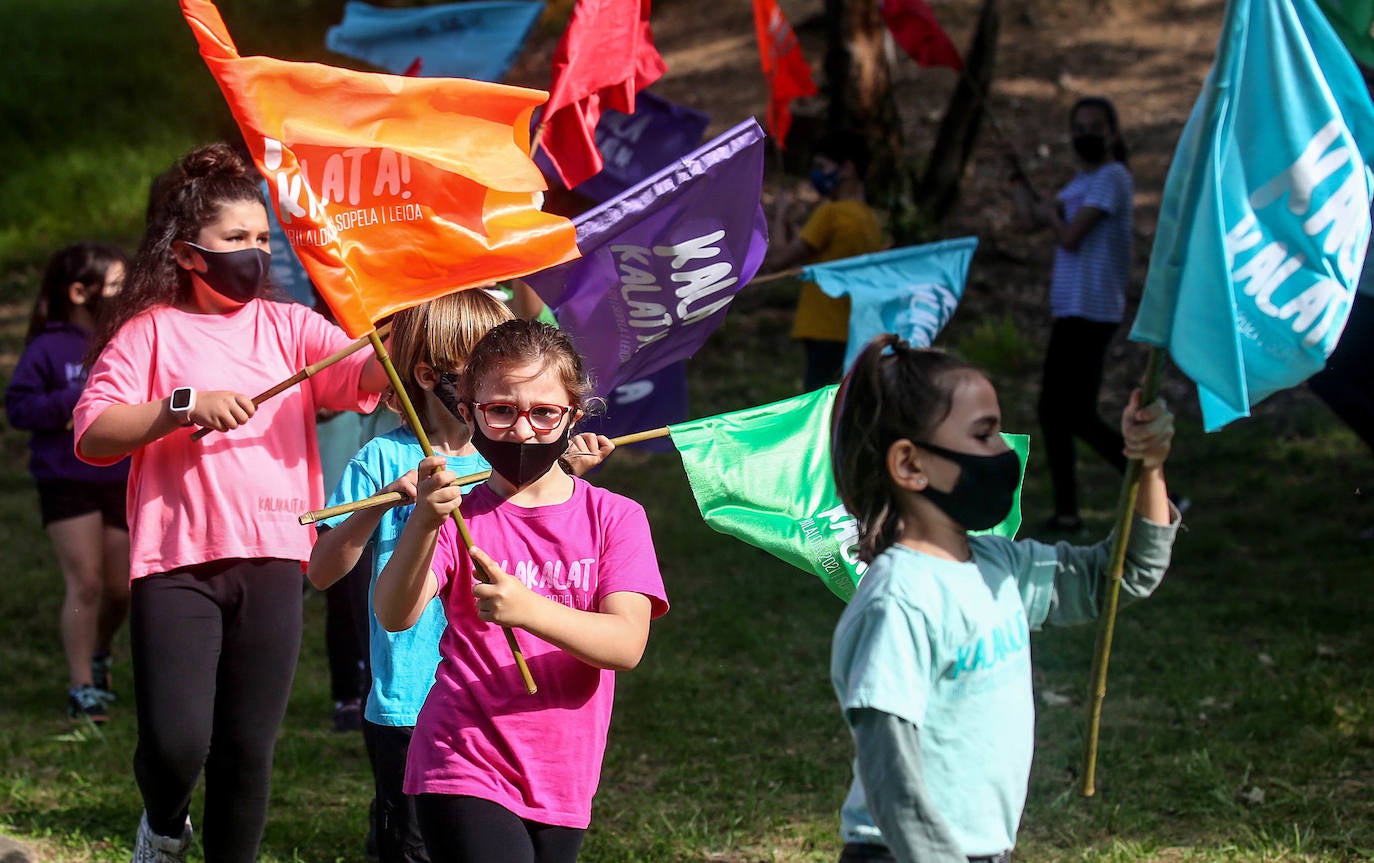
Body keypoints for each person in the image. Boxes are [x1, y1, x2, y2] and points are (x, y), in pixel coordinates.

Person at [72, 142, 388, 863]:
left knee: (248, 747)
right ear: (187, 253)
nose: (256, 252)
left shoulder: (294, 328)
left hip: (276, 556)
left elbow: (360, 376)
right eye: (236, 239)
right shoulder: (148, 329)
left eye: (263, 239)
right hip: (176, 561)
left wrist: (401, 338)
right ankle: (163, 820)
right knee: (178, 741)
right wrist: (182, 406)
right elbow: (92, 432)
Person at [828, 334, 1181, 863]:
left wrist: (1148, 465)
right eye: (985, 435)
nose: (1005, 452)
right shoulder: (899, 601)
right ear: (910, 465)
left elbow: (1120, 576)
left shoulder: (1000, 567)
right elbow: (890, 770)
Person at [308, 291, 616, 863]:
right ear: (429, 375)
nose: (502, 387)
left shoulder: (509, 453)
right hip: (410, 696)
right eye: (479, 371)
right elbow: (323, 572)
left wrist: (566, 467)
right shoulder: (380, 459)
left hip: (493, 693)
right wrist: (377, 505)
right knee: (412, 847)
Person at [374, 319, 668, 863]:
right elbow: (394, 614)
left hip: (564, 773)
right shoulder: (457, 514)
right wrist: (420, 525)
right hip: (461, 758)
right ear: (469, 412)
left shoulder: (615, 518)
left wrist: (528, 609)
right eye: (501, 411)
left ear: (573, 416)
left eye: (544, 412)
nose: (523, 430)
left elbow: (626, 645)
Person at [4, 241, 131, 723]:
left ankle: (100, 654)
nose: (124, 294)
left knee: (120, 589)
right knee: (87, 582)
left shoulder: (124, 339)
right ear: (80, 292)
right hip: (65, 480)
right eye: (115, 285)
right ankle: (81, 687)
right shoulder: (46, 347)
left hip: (119, 475)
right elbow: (19, 408)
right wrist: (74, 402)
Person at [1011, 96, 1134, 532]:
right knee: (1054, 412)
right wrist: (1019, 184)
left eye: (1094, 127)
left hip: (1094, 309)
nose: (1085, 135)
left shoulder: (1113, 178)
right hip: (1070, 309)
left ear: (1112, 133)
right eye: (1078, 126)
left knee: (1073, 412)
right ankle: (1068, 512)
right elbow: (1028, 223)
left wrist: (1049, 214)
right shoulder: (1081, 182)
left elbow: (1069, 237)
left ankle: (1158, 491)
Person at [769, 130, 885, 392]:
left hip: (822, 326)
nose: (817, 174)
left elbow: (778, 260)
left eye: (822, 166)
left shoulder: (830, 214)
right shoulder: (869, 219)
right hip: (854, 329)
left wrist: (779, 215)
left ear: (848, 168)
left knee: (819, 407)